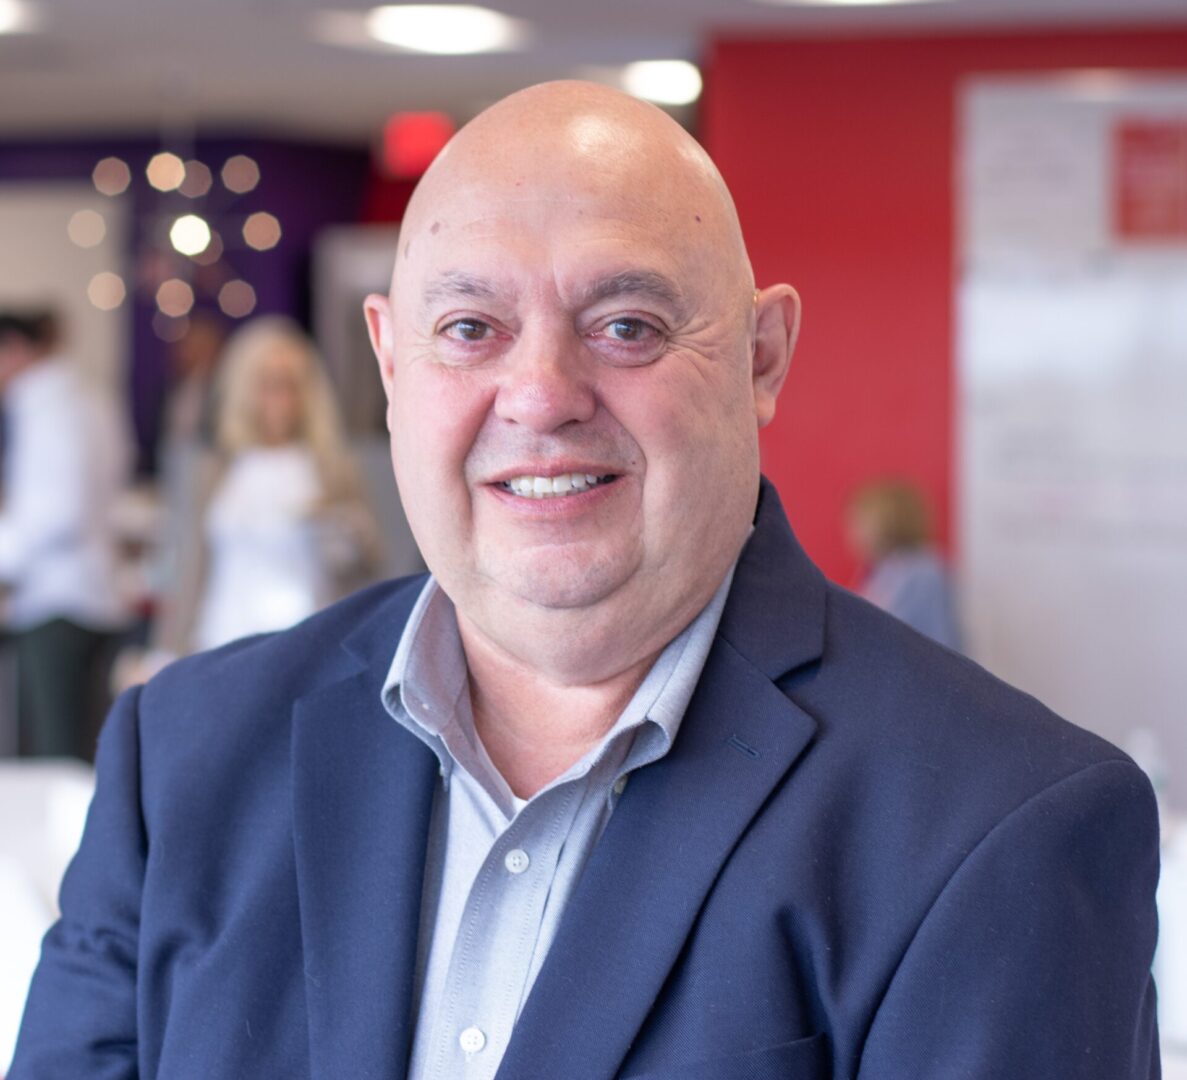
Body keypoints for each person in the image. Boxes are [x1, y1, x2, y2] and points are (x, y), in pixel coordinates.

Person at [11, 83, 1158, 1079]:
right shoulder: (186, 760)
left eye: (624, 324)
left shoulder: (998, 825)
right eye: (470, 327)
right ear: (389, 361)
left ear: (760, 359)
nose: (541, 394)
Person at [149, 316, 381, 658]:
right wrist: (165, 650)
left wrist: (340, 528)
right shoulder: (216, 469)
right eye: (267, 384)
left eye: (290, 384)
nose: (279, 398)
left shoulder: (332, 469)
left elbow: (367, 564)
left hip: (303, 650)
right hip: (219, 645)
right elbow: (189, 566)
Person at [0, 309, 132, 760]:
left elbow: (55, 513)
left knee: (56, 752)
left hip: (56, 600)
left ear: (15, 349)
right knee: (80, 740)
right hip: (94, 590)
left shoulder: (43, 403)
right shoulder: (89, 395)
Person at [847, 478, 963, 650]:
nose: (854, 532)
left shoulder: (922, 571)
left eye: (862, 522)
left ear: (888, 523)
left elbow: (939, 641)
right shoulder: (879, 571)